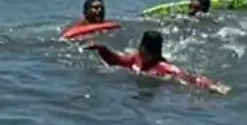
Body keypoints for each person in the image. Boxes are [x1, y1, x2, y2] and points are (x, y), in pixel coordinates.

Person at [86, 30, 229, 94]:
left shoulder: (164, 69)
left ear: (143, 46)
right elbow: (115, 60)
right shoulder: (136, 58)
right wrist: (101, 49)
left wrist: (212, 86)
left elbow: (189, 77)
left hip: (160, 90)